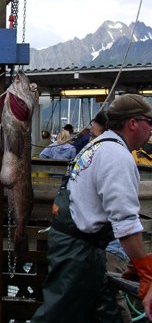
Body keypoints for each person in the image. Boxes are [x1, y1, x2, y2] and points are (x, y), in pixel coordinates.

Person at [32, 93, 152, 322]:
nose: (151, 129)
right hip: (79, 253)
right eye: (150, 122)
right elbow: (126, 222)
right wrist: (145, 269)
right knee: (57, 316)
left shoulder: (96, 145)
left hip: (79, 246)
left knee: (107, 315)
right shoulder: (117, 156)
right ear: (133, 123)